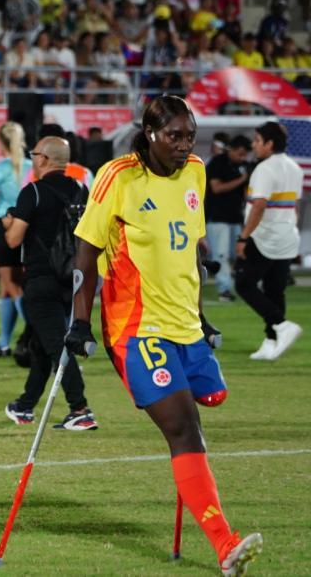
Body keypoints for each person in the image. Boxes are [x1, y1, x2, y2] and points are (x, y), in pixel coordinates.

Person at [66, 96, 263, 576]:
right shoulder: (119, 177)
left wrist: (200, 316)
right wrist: (79, 321)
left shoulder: (195, 171)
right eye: (174, 135)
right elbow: (85, 256)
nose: (183, 145)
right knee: (184, 428)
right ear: (150, 133)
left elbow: (191, 248)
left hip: (185, 325)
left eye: (189, 136)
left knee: (212, 398)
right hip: (136, 327)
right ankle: (224, 544)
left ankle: (208, 512)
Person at [2, 137, 97, 430]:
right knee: (41, 343)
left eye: (34, 154)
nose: (32, 160)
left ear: (43, 159)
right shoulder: (81, 190)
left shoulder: (33, 192)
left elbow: (13, 239)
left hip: (42, 278)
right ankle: (25, 405)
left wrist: (8, 222)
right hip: (72, 278)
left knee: (56, 345)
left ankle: (80, 408)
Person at [236, 121, 304, 360]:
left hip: (264, 236)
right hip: (287, 236)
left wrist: (243, 237)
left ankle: (281, 325)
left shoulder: (264, 169)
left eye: (257, 141)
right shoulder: (295, 168)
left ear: (269, 143)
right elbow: (294, 204)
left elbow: (259, 206)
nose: (254, 145)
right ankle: (271, 341)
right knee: (276, 290)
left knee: (243, 284)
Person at [0, 121, 28, 357]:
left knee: (12, 285)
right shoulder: (32, 167)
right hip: (25, 226)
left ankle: (36, 334)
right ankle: (3, 342)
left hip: (3, 227)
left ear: (1, 142)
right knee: (7, 286)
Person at [205, 135, 252, 302]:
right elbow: (216, 188)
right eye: (240, 153)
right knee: (221, 255)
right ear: (231, 149)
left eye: (245, 154)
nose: (242, 157)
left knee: (237, 255)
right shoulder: (218, 162)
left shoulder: (244, 166)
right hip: (217, 218)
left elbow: (248, 193)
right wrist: (242, 180)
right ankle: (224, 289)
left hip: (236, 218)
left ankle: (241, 286)